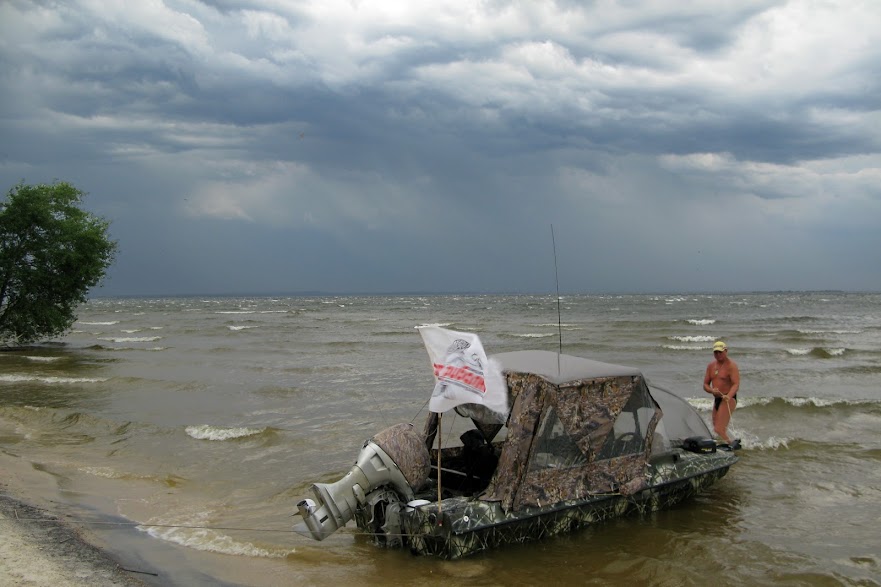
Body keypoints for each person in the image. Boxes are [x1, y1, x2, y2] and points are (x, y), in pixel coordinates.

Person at [703, 340, 740, 444]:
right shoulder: (711, 366)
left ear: (726, 351)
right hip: (717, 399)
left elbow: (736, 384)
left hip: (728, 399)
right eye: (716, 352)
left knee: (718, 429)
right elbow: (705, 384)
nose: (718, 354)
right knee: (716, 427)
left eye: (720, 352)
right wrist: (711, 390)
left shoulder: (731, 366)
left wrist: (729, 396)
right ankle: (725, 443)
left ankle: (730, 445)